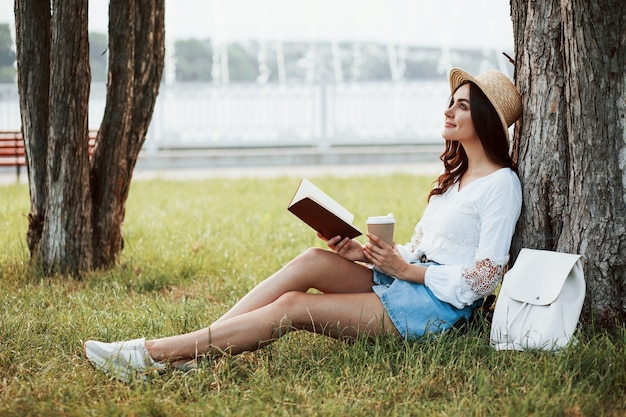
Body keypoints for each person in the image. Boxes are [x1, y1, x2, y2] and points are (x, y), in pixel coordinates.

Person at [84, 67, 523, 382]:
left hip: (435, 310)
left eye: (461, 106)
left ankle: (153, 354)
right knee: (312, 259)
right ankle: (200, 346)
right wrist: (367, 254)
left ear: (484, 120)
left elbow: (486, 276)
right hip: (410, 280)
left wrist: (406, 271)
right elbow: (427, 250)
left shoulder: (501, 184)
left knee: (293, 307)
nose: (448, 112)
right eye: (450, 103)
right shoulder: (455, 181)